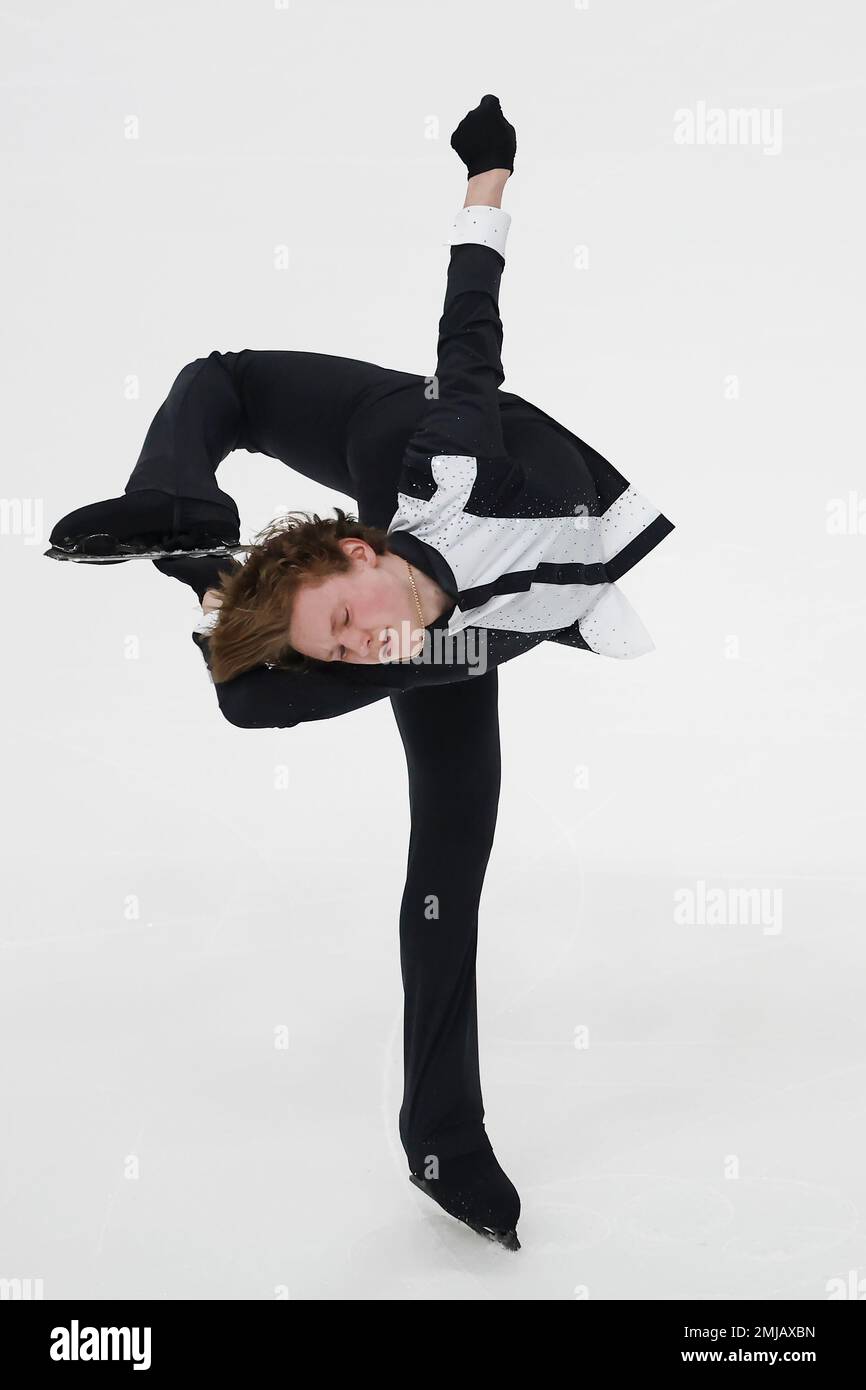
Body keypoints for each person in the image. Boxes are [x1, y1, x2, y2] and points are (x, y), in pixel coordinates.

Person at [46, 96, 675, 1249]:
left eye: (343, 622)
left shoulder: (446, 456)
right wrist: (278, 622)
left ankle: (203, 560)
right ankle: (190, 537)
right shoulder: (407, 653)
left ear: (357, 550)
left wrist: (487, 174)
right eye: (338, 649)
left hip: (401, 443)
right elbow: (263, 698)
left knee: (229, 377)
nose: (360, 650)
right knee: (376, 804)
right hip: (452, 626)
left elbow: (469, 319)